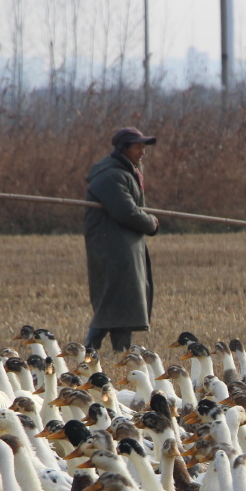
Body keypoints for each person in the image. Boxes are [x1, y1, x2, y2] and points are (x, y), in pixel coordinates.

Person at [82, 126, 161, 353]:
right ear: (123, 148)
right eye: (138, 147)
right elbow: (126, 211)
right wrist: (151, 223)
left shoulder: (127, 171)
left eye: (143, 146)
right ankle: (89, 350)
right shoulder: (111, 176)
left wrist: (146, 219)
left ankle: (120, 352)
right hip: (112, 249)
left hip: (124, 246)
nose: (142, 152)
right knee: (112, 303)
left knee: (124, 304)